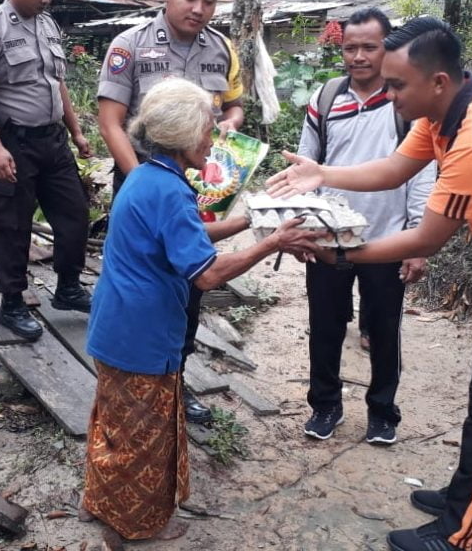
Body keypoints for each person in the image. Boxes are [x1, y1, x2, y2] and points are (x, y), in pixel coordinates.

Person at [268, 17, 472, 551]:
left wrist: (338, 253)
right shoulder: (442, 111)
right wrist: (322, 174)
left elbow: (427, 239)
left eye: (397, 85)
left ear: (438, 80)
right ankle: (467, 497)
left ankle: (463, 534)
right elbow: (395, 168)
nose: (387, 93)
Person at [83, 78, 320, 542]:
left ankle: (99, 502)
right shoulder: (170, 191)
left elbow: (185, 238)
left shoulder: (149, 178)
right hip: (143, 335)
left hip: (115, 326)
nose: (213, 141)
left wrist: (253, 221)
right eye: (209, 131)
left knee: (114, 424)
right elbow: (207, 274)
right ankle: (134, 525)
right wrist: (273, 242)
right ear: (186, 135)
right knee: (144, 436)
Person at [97, 0, 244, 425]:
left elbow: (234, 108)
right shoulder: (130, 46)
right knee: (145, 282)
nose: (198, 8)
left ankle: (173, 381)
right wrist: (141, 178)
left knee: (191, 287)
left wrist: (224, 127)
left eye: (208, 0)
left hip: (199, 183)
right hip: (146, 181)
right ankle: (132, 376)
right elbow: (111, 121)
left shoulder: (220, 49)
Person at [297, 7, 434, 444]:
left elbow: (421, 174)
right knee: (325, 325)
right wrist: (303, 227)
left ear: (387, 47)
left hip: (387, 238)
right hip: (328, 238)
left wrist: (417, 241)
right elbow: (307, 168)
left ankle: (382, 412)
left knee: (384, 328)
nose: (358, 56)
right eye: (350, 47)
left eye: (368, 47)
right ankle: (324, 406)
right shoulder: (326, 98)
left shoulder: (405, 103)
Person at [0, 0, 93, 342]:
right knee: (12, 226)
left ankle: (68, 287)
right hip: (13, 143)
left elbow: (58, 83)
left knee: (75, 215)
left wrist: (76, 132)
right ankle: (12, 304)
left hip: (53, 141)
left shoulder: (49, 25)